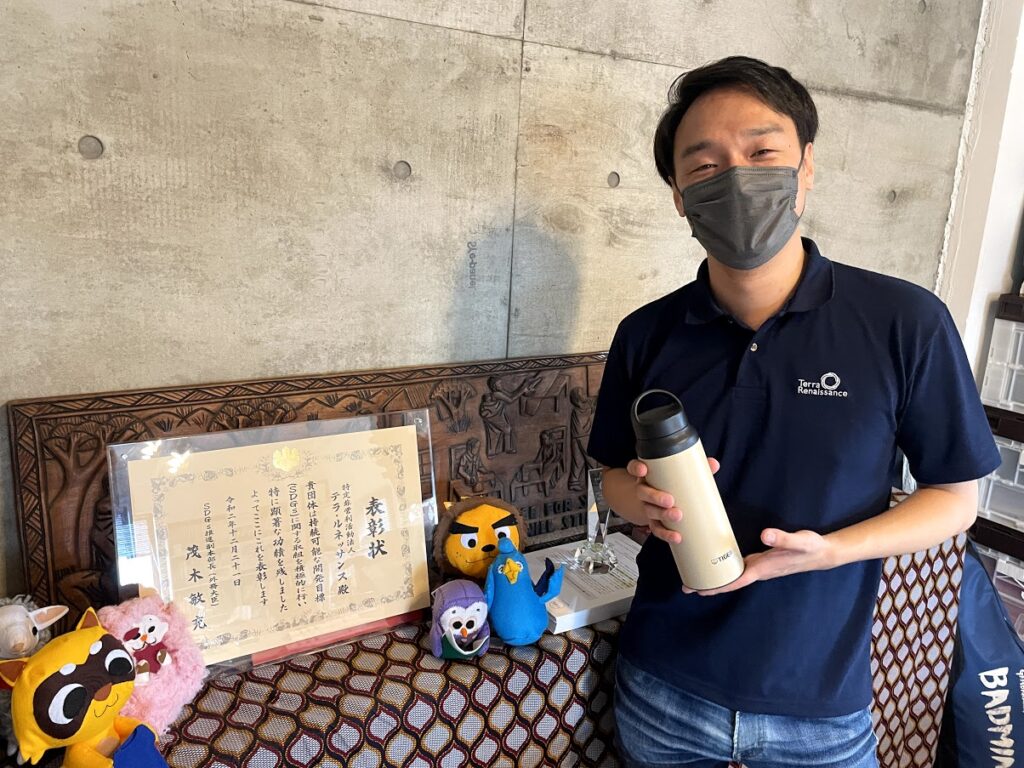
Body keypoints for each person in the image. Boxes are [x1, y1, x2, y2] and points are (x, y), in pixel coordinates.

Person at [587, 55, 999, 768]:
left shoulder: (903, 322)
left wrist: (833, 551)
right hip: (662, 691)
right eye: (704, 165)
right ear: (680, 196)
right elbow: (610, 477)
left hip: (819, 708)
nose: (736, 178)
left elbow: (956, 498)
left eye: (761, 152)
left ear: (807, 168)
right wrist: (642, 502)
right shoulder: (646, 333)